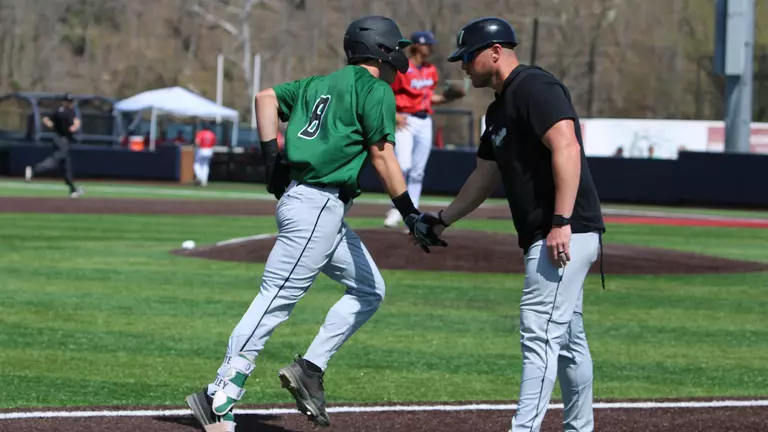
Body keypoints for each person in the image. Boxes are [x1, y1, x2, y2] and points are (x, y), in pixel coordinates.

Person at [185, 15, 446, 432]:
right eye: (394, 46)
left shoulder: (317, 84)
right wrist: (410, 212)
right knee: (275, 299)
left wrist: (271, 156)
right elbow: (381, 156)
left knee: (369, 289)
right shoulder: (375, 88)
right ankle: (219, 394)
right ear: (381, 49)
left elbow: (265, 97)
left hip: (310, 204)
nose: (401, 53)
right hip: (317, 205)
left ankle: (309, 367)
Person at [431, 17, 606, 432]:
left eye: (468, 57)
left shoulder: (535, 87)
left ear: (495, 52)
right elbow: (483, 177)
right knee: (566, 342)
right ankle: (580, 428)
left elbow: (567, 146)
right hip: (557, 233)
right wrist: (441, 221)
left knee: (539, 334)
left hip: (564, 233)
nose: (463, 66)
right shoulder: (497, 110)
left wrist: (560, 221)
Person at [383, 30, 465, 228]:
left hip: (424, 120)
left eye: (430, 44)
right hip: (405, 119)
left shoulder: (431, 70)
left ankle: (413, 212)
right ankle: (397, 207)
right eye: (426, 44)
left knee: (418, 171)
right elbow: (386, 93)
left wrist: (448, 97)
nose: (430, 47)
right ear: (416, 45)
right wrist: (393, 115)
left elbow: (428, 97)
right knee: (403, 166)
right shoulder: (403, 68)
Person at [25, 93, 84, 198]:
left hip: (57, 138)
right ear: (65, 102)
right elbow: (72, 127)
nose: (71, 103)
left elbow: (45, 119)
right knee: (55, 160)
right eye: (69, 101)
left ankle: (73, 190)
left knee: (66, 167)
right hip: (63, 140)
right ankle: (34, 170)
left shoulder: (58, 111)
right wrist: (76, 125)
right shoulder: (67, 112)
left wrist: (53, 126)